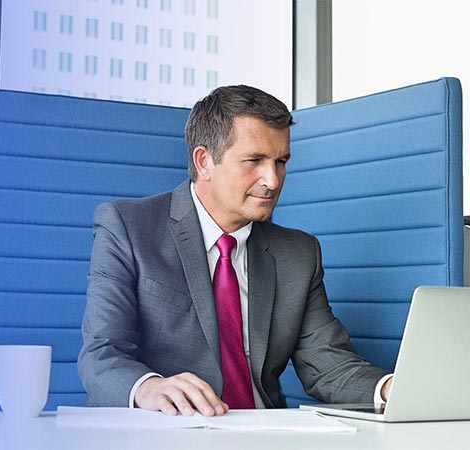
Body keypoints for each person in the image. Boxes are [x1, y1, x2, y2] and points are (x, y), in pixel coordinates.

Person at [78, 85, 392, 416]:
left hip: (263, 434)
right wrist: (149, 387)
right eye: (254, 160)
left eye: (280, 161)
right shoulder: (129, 227)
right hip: (166, 430)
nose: (272, 180)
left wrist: (389, 388)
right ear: (204, 162)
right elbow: (102, 352)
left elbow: (328, 364)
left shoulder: (298, 254)